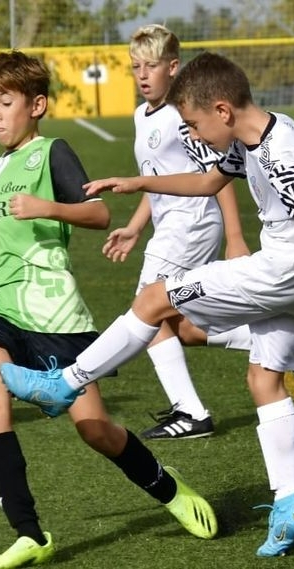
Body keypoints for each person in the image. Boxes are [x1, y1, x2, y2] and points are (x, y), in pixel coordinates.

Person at [0, 52, 294, 558]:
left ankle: (64, 382)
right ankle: (290, 502)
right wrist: (139, 182)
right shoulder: (257, 133)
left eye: (195, 124)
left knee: (156, 298)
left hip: (284, 271)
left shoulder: (279, 152)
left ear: (222, 110)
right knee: (264, 379)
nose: (196, 136)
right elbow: (207, 182)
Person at [0, 50, 217, 569]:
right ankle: (29, 534)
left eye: (4, 103)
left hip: (53, 313)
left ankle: (169, 489)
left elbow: (99, 213)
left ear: (36, 105)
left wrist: (47, 207)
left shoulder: (52, 152)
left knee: (94, 429)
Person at [106, 24, 251, 440]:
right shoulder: (142, 115)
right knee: (180, 325)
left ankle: (191, 413)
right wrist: (134, 228)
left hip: (192, 222)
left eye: (151, 65)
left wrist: (235, 236)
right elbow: (155, 180)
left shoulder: (180, 115)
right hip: (169, 225)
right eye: (136, 66)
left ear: (173, 67)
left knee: (147, 310)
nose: (142, 74)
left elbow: (215, 176)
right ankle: (271, 339)